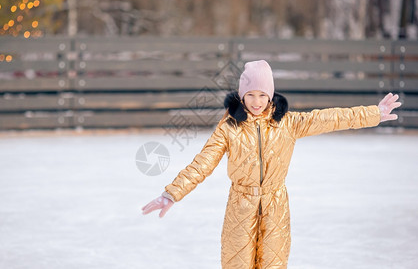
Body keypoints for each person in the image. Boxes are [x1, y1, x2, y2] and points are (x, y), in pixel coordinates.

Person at [141, 60, 401, 269]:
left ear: (271, 95)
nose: (256, 102)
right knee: (236, 263)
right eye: (251, 94)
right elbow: (203, 162)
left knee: (273, 263)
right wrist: (172, 193)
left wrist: (373, 113)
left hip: (276, 206)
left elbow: (328, 118)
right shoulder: (230, 127)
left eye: (262, 95)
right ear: (242, 96)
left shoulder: (287, 123)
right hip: (240, 207)